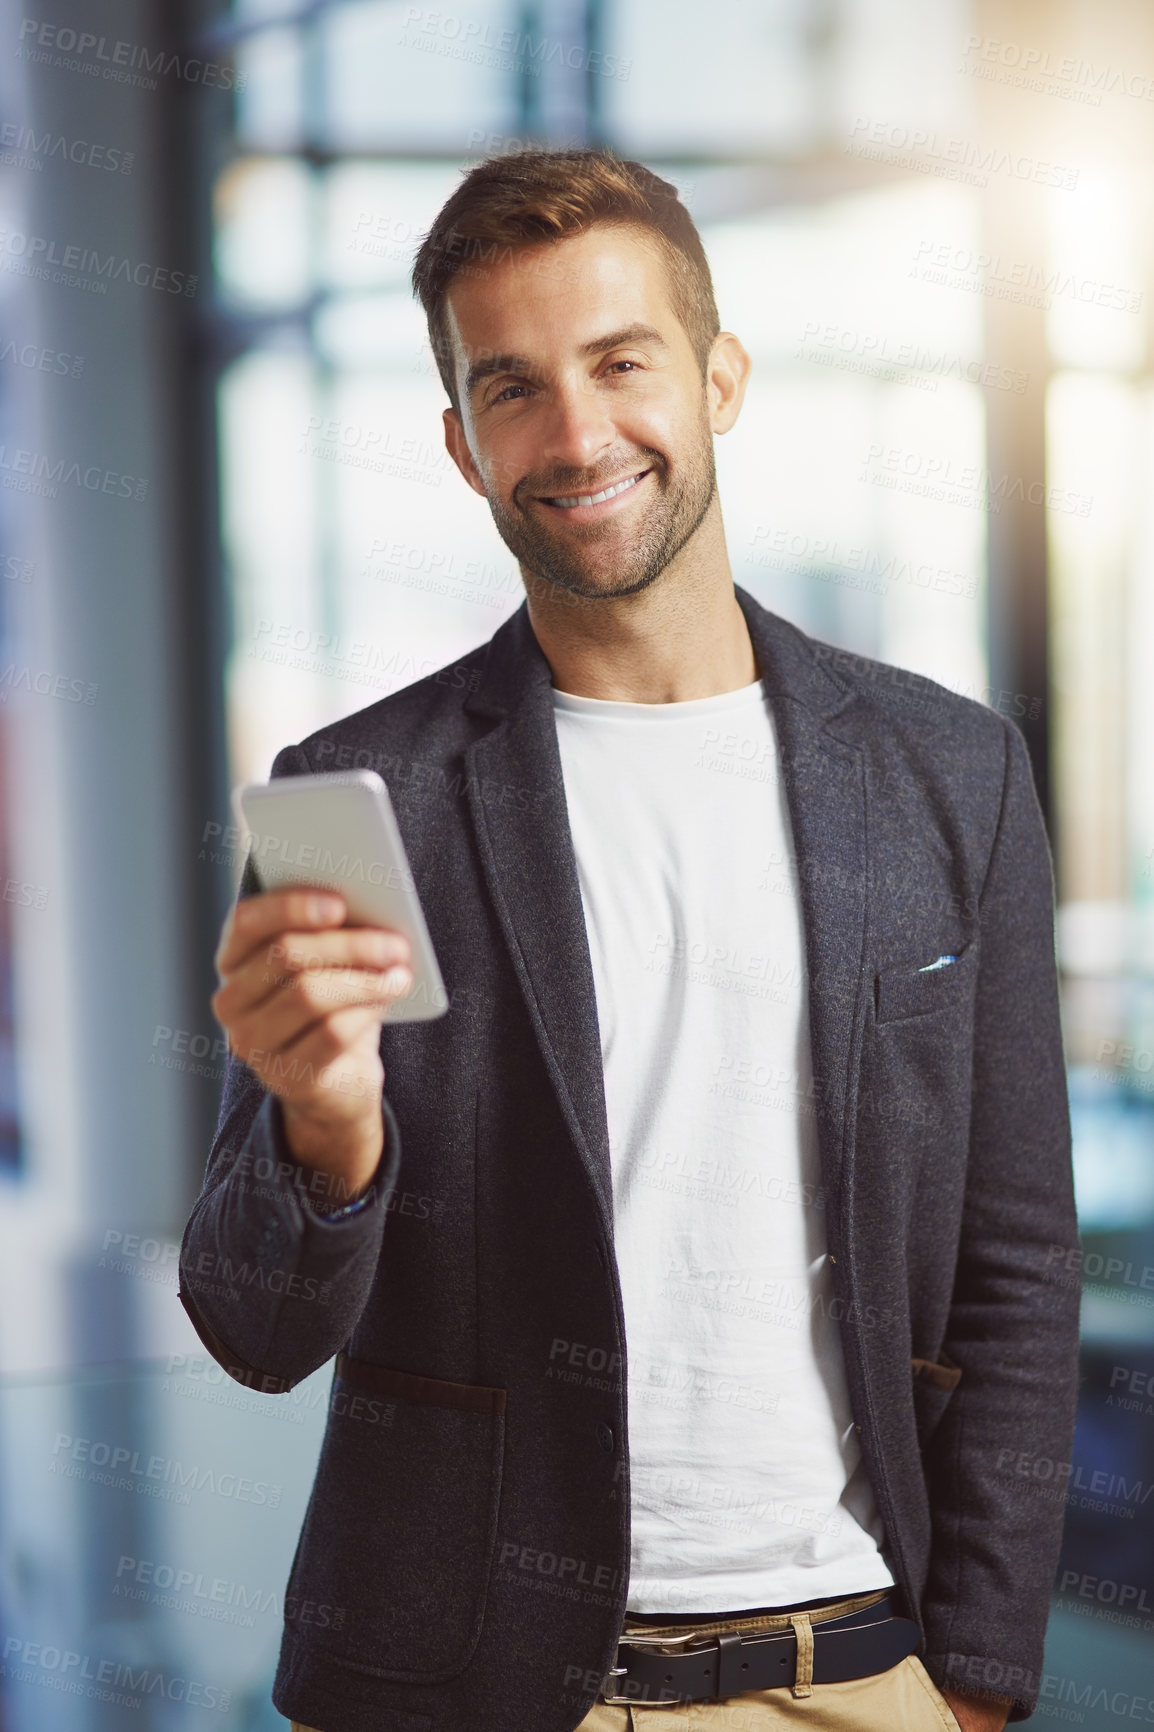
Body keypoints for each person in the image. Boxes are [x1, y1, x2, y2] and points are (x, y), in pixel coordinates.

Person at [179, 149, 1080, 1732]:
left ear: (718, 377)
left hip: (855, 1673)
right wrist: (325, 1133)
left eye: (620, 362)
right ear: (461, 446)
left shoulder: (948, 775)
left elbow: (1014, 1265)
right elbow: (255, 1333)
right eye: (513, 388)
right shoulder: (361, 799)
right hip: (470, 1685)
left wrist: (980, 1687)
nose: (578, 435)